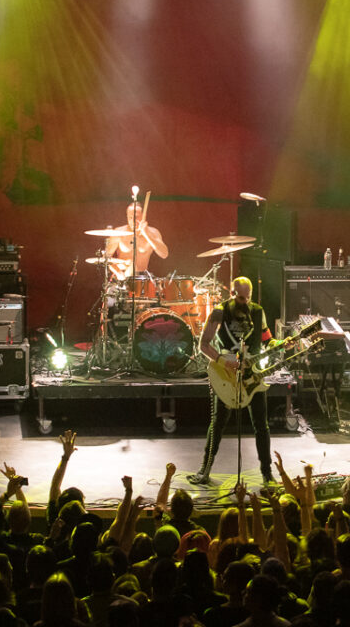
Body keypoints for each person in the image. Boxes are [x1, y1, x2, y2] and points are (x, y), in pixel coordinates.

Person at [188, 277, 283, 485]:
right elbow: (204, 345)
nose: (245, 302)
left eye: (248, 298)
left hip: (253, 374)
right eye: (241, 297)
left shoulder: (258, 311)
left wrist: (281, 343)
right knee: (218, 423)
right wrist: (223, 362)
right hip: (227, 374)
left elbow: (267, 339)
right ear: (231, 294)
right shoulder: (220, 312)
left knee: (261, 425)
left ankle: (267, 474)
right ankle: (205, 469)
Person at [103, 203, 168, 277]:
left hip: (142, 276)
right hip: (122, 275)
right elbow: (106, 258)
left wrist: (146, 234)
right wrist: (118, 273)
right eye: (130, 217)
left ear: (144, 216)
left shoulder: (154, 232)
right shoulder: (118, 232)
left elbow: (164, 254)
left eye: (136, 217)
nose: (133, 220)